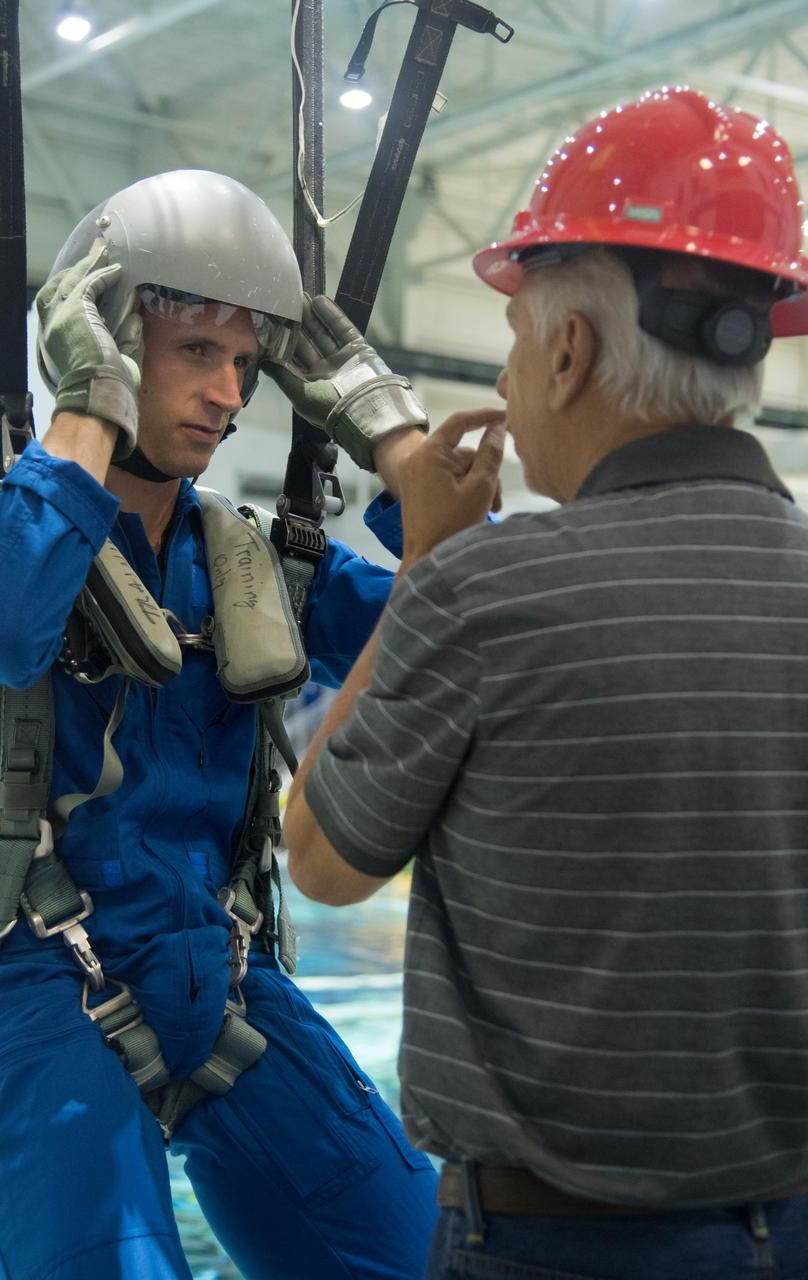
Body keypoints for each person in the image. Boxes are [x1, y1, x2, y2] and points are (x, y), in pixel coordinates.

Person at [282, 86, 808, 1280]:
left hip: (557, 1245)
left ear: (568, 352)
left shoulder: (488, 590)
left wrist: (426, 558)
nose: (514, 384)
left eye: (519, 343)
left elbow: (318, 857)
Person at [0, 169, 442, 1280]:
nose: (231, 393)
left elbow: (460, 628)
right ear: (110, 344)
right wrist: (86, 413)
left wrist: (395, 444)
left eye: (246, 363)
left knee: (428, 1258)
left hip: (226, 977)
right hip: (28, 982)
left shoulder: (261, 565)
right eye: (197, 353)